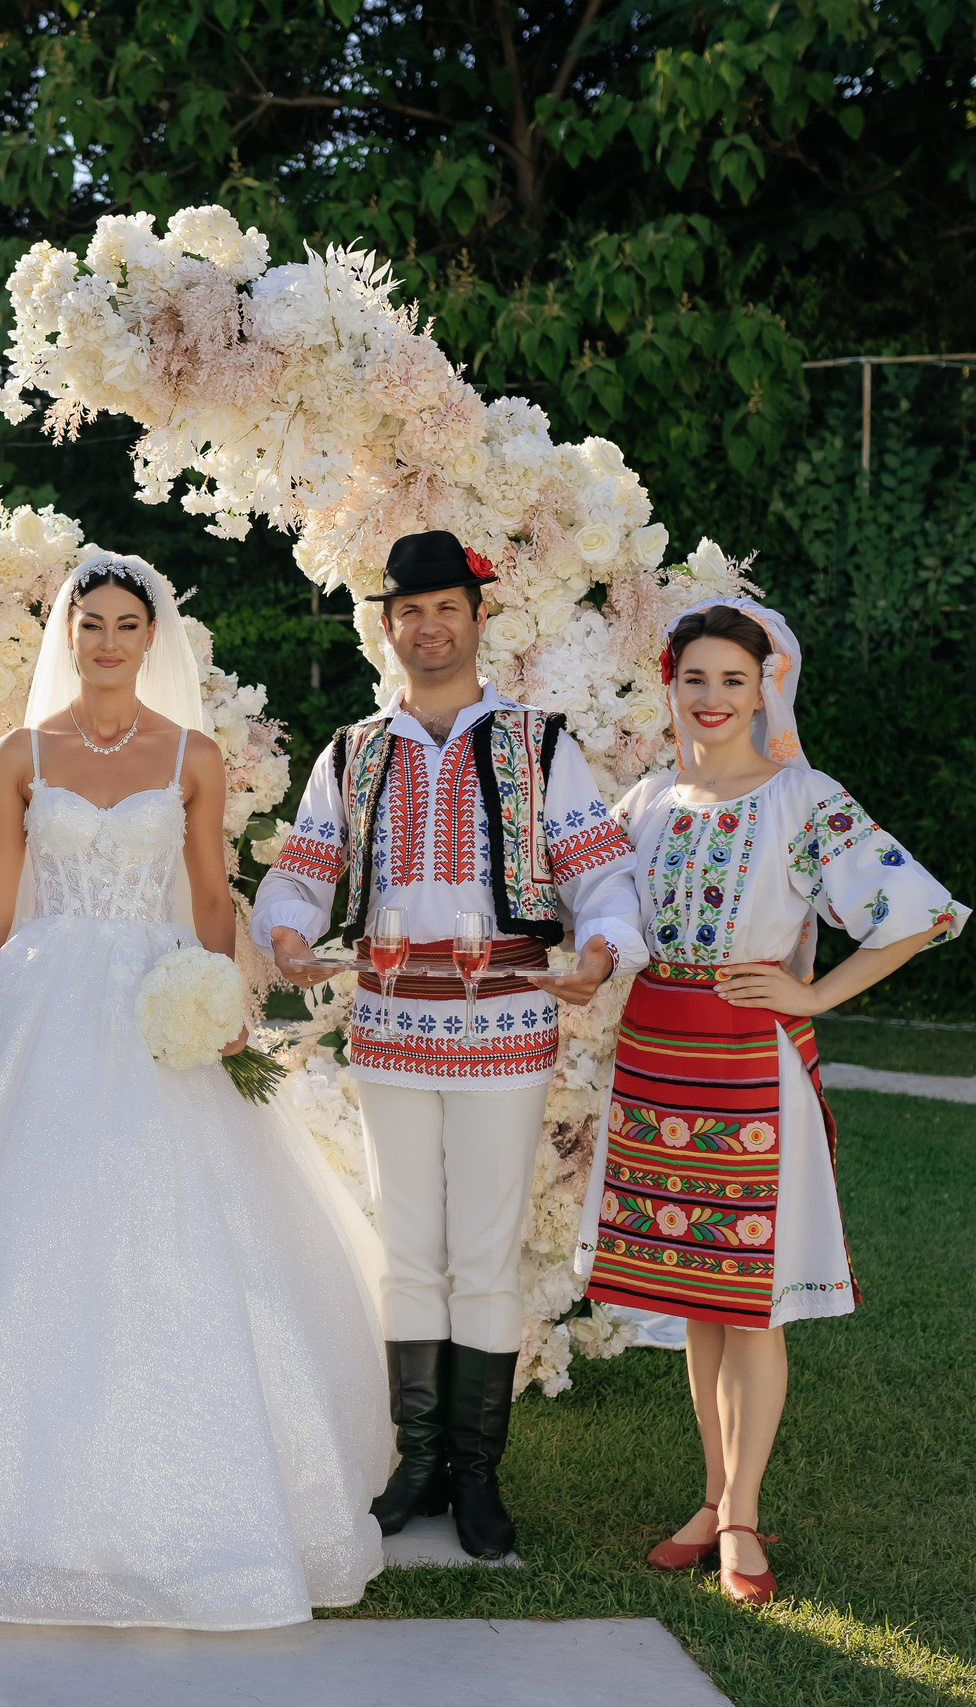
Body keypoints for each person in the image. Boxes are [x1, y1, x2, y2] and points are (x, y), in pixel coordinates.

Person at [0, 553, 393, 1630]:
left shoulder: (192, 754)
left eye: (125, 623)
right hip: (37, 1002)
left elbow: (210, 891)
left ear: (151, 637)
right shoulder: (18, 753)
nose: (105, 640)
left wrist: (224, 998)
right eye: (88, 622)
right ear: (67, 633)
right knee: (23, 1228)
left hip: (155, 998)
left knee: (172, 1231)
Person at [251, 528, 646, 1562]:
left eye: (446, 609)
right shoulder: (354, 749)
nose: (428, 627)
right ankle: (415, 1462)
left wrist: (600, 955)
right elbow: (301, 868)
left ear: (477, 620)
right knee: (407, 1249)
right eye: (409, 611)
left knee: (481, 1251)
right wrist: (286, 928)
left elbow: (601, 876)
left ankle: (476, 1476)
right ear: (387, 628)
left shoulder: (536, 743)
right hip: (388, 1021)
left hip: (507, 1019)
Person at [574, 596, 964, 1605]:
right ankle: (709, 1498)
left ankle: (741, 1513)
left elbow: (915, 912)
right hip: (657, 1060)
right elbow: (591, 912)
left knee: (749, 1307)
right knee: (698, 1301)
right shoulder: (647, 801)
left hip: (752, 1060)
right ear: (671, 685)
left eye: (731, 682)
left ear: (764, 690)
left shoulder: (803, 798)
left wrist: (815, 991)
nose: (710, 699)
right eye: (694, 678)